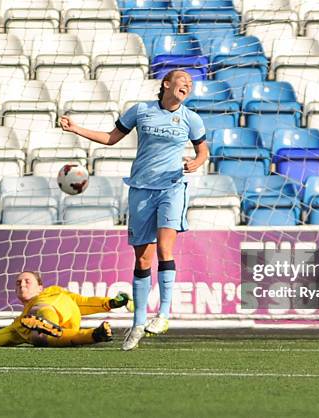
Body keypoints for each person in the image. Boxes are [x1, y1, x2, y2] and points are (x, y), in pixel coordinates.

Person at [59, 69, 209, 351]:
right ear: (166, 84)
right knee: (142, 261)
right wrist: (75, 128)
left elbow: (203, 152)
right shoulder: (141, 111)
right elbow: (111, 138)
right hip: (141, 190)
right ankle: (138, 323)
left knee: (165, 250)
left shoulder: (191, 118)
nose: (187, 84)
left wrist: (195, 164)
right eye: (182, 80)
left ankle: (163, 314)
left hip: (173, 188)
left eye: (190, 83)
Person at [0, 271, 132, 347]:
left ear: (40, 286)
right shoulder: (19, 323)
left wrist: (112, 303)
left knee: (38, 316)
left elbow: (85, 302)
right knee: (35, 334)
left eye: (27, 281)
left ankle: (47, 326)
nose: (21, 284)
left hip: (60, 316)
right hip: (62, 334)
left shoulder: (54, 292)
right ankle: (94, 336)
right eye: (17, 283)